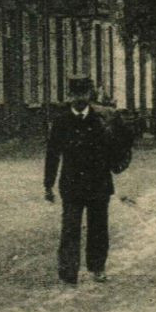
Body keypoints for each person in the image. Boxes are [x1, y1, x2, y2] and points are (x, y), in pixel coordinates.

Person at [45, 76, 126, 284]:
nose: (80, 98)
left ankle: (97, 267)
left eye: (84, 94)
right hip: (71, 184)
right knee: (70, 227)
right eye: (76, 94)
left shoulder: (103, 119)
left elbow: (120, 144)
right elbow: (53, 154)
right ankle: (68, 272)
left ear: (90, 95)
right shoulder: (61, 121)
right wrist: (48, 184)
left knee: (98, 227)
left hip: (99, 183)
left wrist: (118, 165)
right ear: (70, 96)